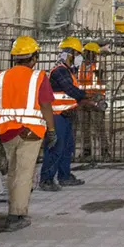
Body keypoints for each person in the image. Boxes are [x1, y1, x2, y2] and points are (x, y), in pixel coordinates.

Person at [0, 36, 56, 231]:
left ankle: (14, 207)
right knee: (24, 173)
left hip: (6, 132)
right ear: (34, 57)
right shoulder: (38, 77)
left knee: (13, 171)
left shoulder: (1, 77)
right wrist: (51, 130)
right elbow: (45, 105)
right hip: (30, 132)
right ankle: (16, 216)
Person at [40, 37, 90, 190]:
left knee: (67, 147)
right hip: (57, 116)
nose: (79, 57)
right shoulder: (60, 71)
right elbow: (69, 89)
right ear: (71, 53)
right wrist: (87, 96)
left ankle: (64, 176)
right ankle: (46, 179)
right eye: (78, 54)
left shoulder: (68, 71)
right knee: (55, 147)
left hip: (66, 115)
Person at [78, 41, 109, 160]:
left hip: (96, 98)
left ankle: (104, 151)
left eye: (90, 53)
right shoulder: (80, 66)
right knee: (84, 127)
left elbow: (102, 79)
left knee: (99, 127)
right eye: (86, 52)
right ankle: (86, 151)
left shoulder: (98, 66)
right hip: (83, 99)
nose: (87, 55)